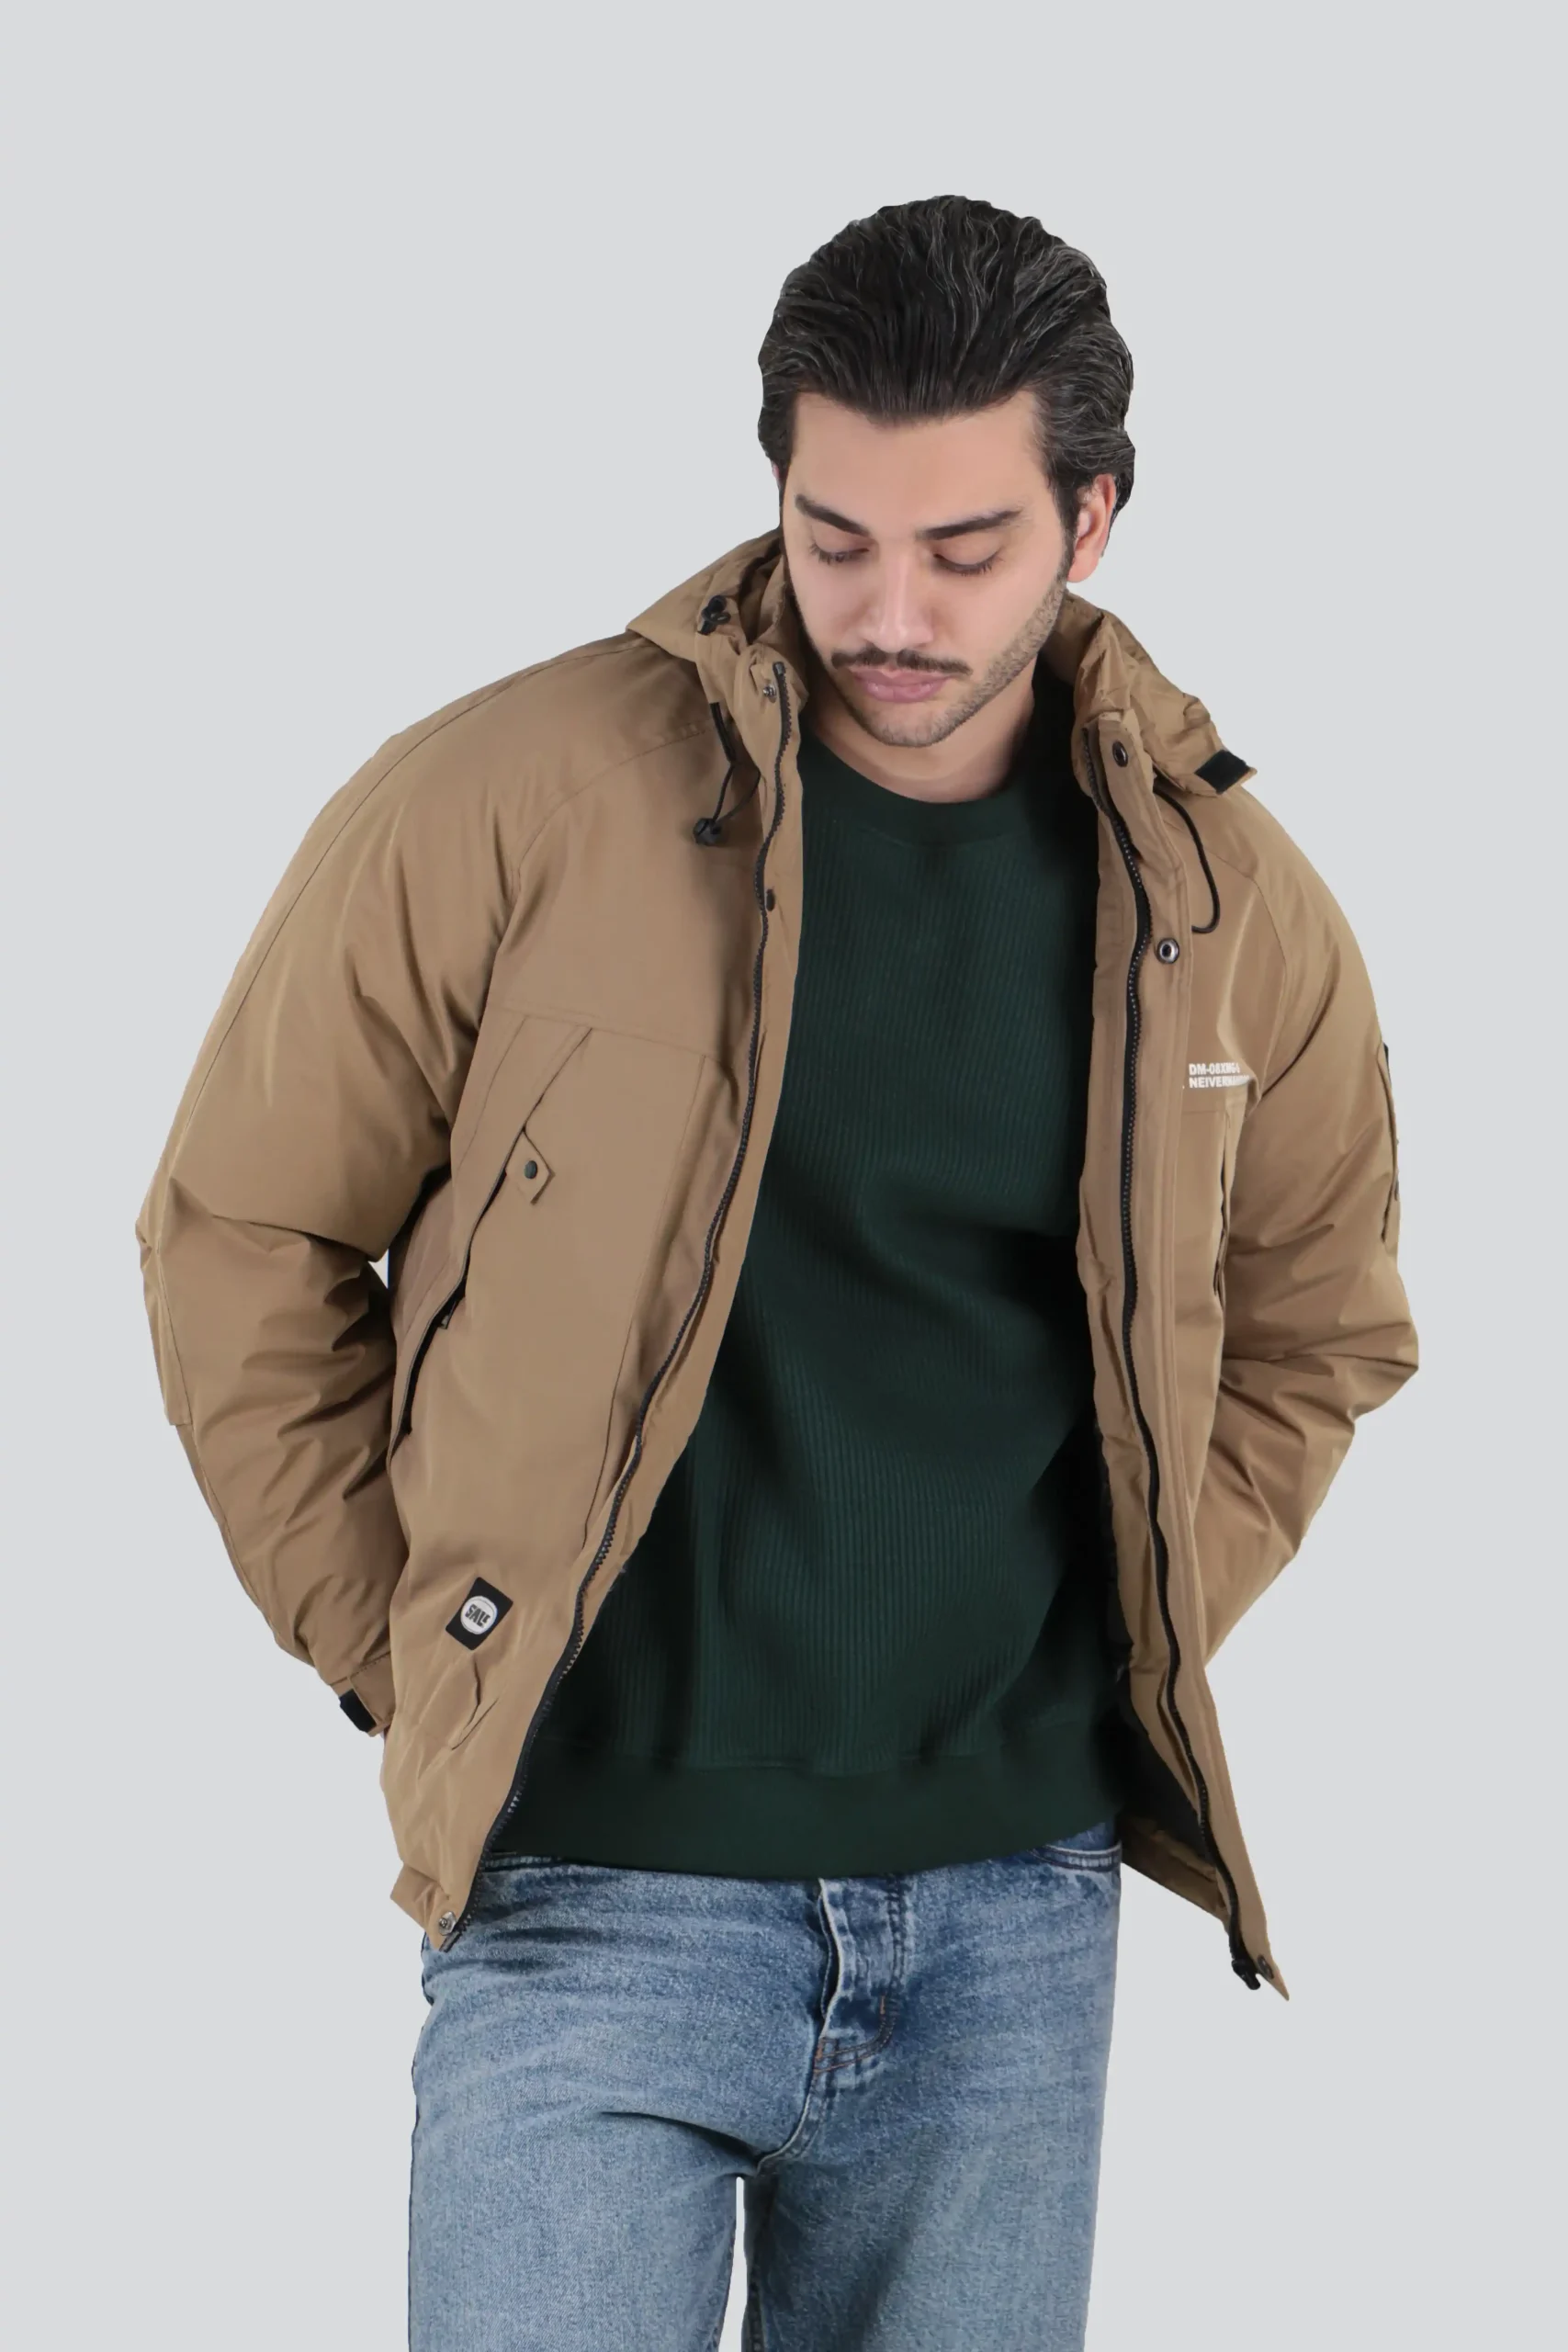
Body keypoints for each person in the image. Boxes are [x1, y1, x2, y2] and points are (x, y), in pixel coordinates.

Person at [136, 194, 1417, 2351]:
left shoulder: (1222, 896)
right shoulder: (512, 794)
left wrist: (1129, 1615)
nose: (888, 611)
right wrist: (413, 1640)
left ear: (1091, 518)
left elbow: (1322, 1312)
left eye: (965, 549)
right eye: (836, 538)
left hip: (1010, 1915)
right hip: (587, 1881)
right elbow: (241, 1227)